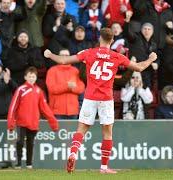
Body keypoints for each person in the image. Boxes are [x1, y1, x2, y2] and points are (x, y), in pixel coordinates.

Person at [44, 27, 157, 174]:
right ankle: (104, 167)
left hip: (90, 97)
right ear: (112, 40)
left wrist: (50, 54)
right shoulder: (116, 56)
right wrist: (151, 58)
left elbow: (64, 60)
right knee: (107, 133)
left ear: (99, 38)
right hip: (106, 99)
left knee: (81, 130)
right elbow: (140, 67)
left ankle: (73, 153)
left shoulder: (89, 53)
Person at [7, 67, 59, 169]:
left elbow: (45, 109)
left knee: (30, 143)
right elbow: (13, 106)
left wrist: (53, 123)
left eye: (33, 76)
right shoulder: (20, 90)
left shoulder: (39, 91)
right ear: (25, 77)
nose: (31, 78)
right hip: (21, 122)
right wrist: (11, 123)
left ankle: (29, 164)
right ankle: (18, 162)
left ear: (36, 78)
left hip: (33, 122)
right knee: (20, 142)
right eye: (29, 76)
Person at [46, 49, 85, 119]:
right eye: (62, 55)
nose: (65, 57)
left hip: (73, 110)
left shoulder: (75, 70)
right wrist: (67, 86)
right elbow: (52, 89)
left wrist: (73, 88)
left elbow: (81, 88)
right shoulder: (52, 70)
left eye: (67, 55)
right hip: (57, 111)